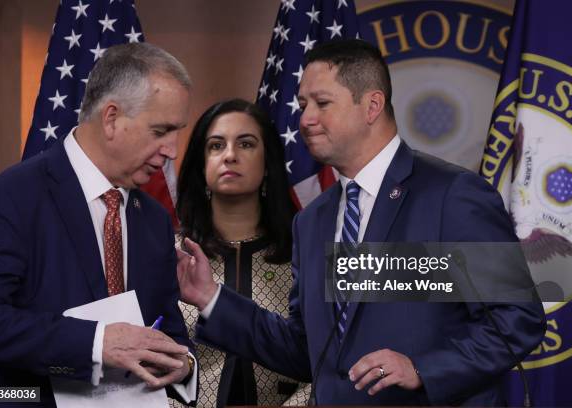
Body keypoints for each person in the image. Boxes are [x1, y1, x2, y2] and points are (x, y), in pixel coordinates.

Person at [176, 40, 546, 406]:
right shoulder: (312, 221)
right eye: (303, 105)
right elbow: (307, 351)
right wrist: (212, 299)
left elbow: (518, 319)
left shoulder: (452, 195)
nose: (305, 119)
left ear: (371, 106)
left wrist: (422, 370)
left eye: (322, 103)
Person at [0, 43, 197, 406]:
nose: (173, 150)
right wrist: (97, 343)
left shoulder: (152, 218)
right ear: (111, 118)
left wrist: (184, 365)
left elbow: (167, 330)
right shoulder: (12, 197)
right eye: (161, 131)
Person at [172, 99, 308, 407]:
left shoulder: (305, 255)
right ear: (201, 163)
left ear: (268, 162)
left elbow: (329, 359)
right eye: (216, 146)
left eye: (246, 144)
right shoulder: (170, 257)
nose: (230, 155)